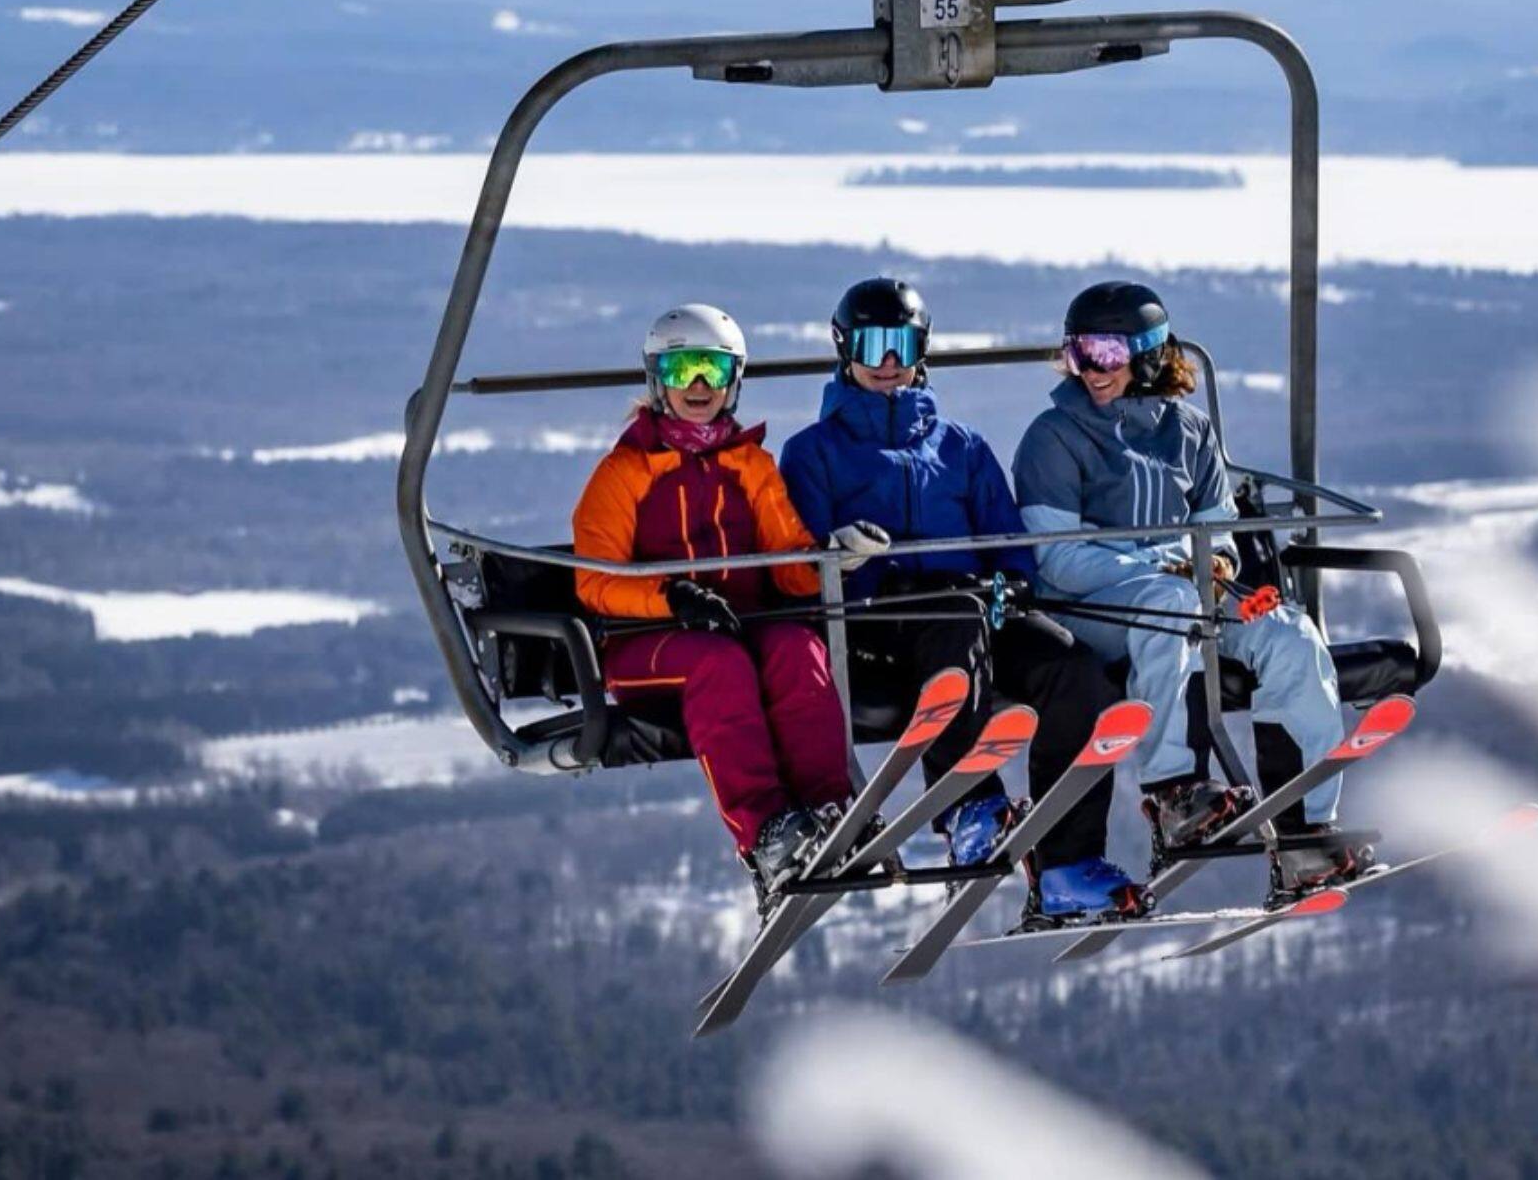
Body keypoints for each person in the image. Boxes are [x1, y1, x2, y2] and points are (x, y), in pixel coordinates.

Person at [779, 277, 1149, 927]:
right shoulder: (813, 453)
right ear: (845, 348)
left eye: (901, 343)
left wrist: (1011, 584)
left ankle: (1065, 863)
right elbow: (805, 562)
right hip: (876, 623)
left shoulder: (962, 447)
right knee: (951, 617)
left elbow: (1007, 541)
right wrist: (846, 559)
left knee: (1074, 669)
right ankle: (969, 806)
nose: (887, 360)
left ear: (921, 349)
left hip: (977, 614)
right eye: (872, 343)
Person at [1011, 280, 1363, 901]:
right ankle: (1175, 793)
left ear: (1149, 355)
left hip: (1190, 594)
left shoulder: (1190, 433)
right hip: (1094, 609)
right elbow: (1060, 560)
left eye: (1108, 353)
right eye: (1079, 353)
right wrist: (1163, 572)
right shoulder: (1054, 438)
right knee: (1170, 608)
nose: (1091, 369)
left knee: (1290, 634)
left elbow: (1217, 534)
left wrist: (1215, 568)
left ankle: (1305, 827)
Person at [572, 303, 877, 910]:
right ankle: (766, 832)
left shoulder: (750, 465)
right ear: (658, 378)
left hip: (741, 629)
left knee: (798, 648)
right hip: (645, 645)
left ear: (734, 378)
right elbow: (595, 581)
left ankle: (830, 810)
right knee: (718, 665)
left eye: (713, 368)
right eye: (683, 369)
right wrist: (670, 597)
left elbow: (787, 563)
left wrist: (830, 562)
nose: (700, 386)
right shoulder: (626, 472)